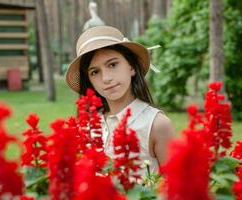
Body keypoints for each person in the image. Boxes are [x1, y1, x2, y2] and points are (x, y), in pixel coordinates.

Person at [65, 26, 174, 176]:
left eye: (113, 65)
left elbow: (176, 187)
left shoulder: (157, 124)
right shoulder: (87, 125)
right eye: (95, 72)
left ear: (132, 67)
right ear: (90, 81)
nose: (106, 78)